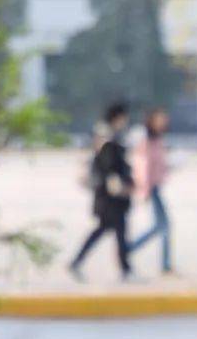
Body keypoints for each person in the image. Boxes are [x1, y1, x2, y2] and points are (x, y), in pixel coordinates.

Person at [69, 102, 136, 281]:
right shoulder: (107, 137)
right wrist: (118, 185)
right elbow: (108, 166)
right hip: (111, 197)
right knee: (118, 231)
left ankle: (77, 262)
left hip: (109, 196)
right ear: (118, 117)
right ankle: (126, 270)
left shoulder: (107, 135)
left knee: (105, 230)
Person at [128, 107, 173, 273]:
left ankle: (165, 264)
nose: (163, 123)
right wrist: (145, 190)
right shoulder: (146, 142)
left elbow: (159, 165)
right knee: (163, 226)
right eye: (160, 119)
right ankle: (128, 249)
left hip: (157, 187)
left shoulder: (158, 140)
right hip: (151, 189)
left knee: (162, 226)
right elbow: (143, 167)